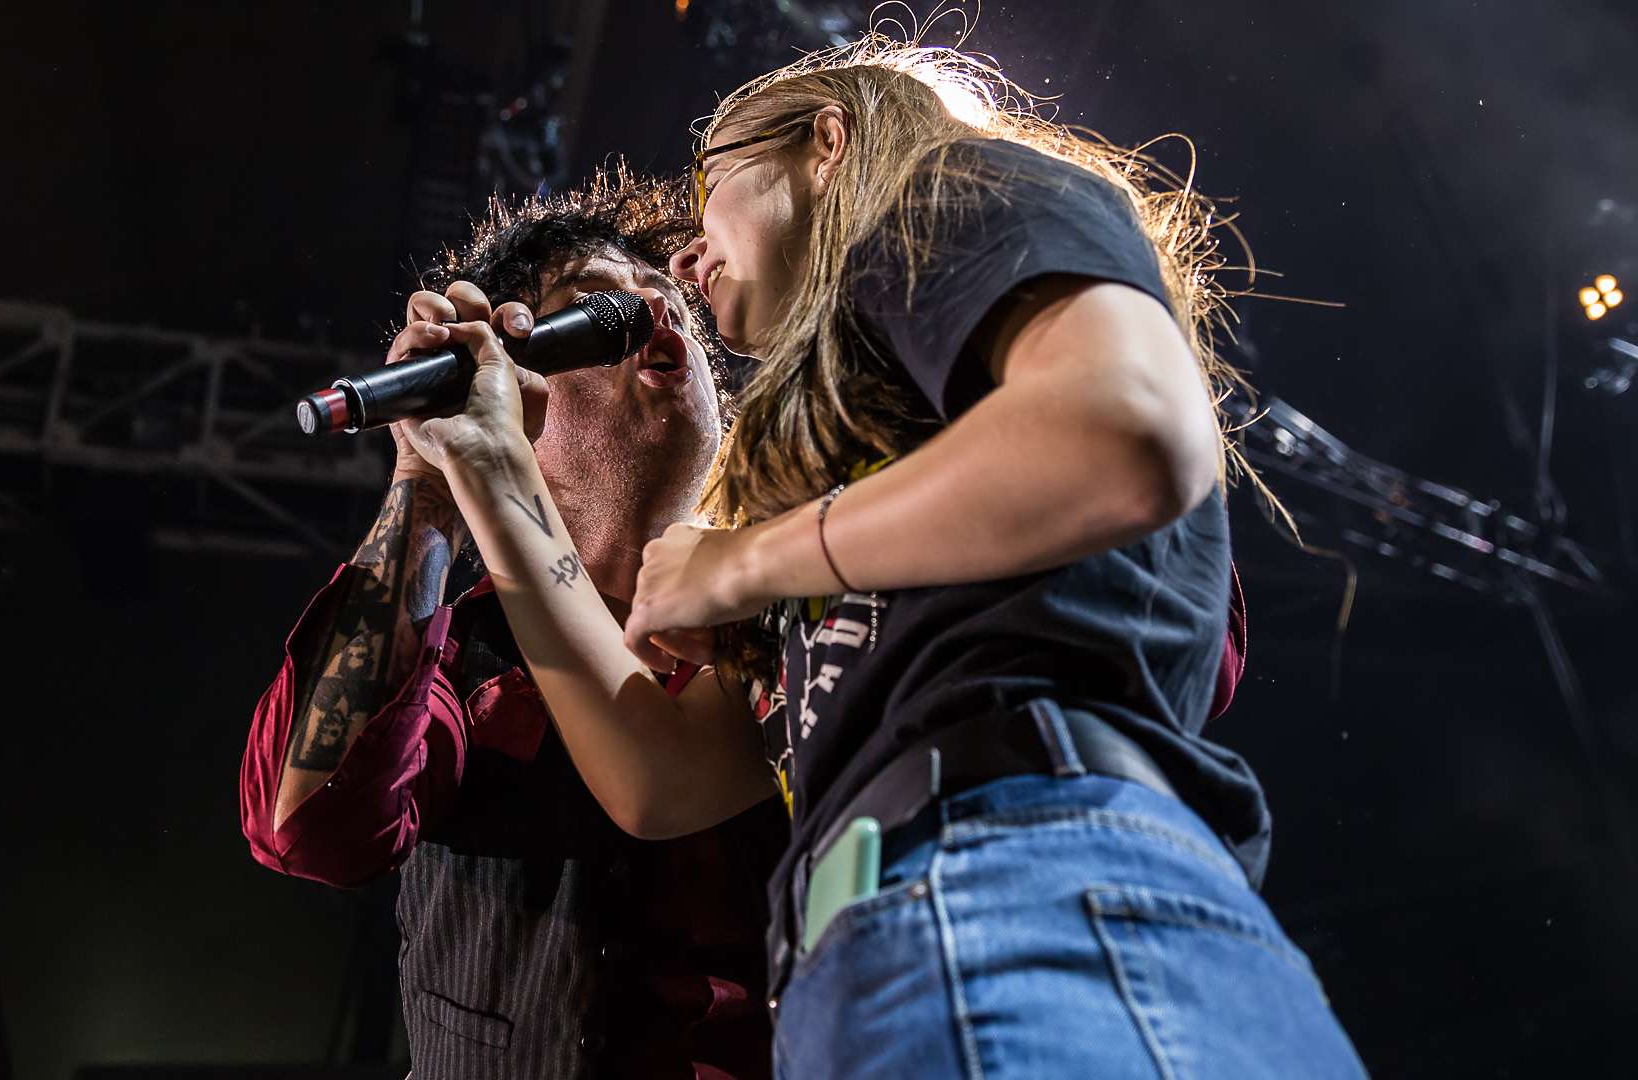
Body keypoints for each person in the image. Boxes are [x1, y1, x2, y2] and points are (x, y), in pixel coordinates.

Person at [403, 36, 1365, 1080]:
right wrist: (493, 474)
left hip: (1012, 879)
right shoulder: (875, 484)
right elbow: (659, 777)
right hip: (882, 943)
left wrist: (741, 565)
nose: (685, 257)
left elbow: (1126, 431)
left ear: (828, 141)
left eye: (712, 180)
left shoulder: (933, 197)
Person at [238, 167, 786, 1080]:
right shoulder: (459, 658)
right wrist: (426, 479)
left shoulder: (777, 612)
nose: (656, 319)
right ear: (514, 387)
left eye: (671, 312)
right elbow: (310, 826)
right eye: (599, 312)